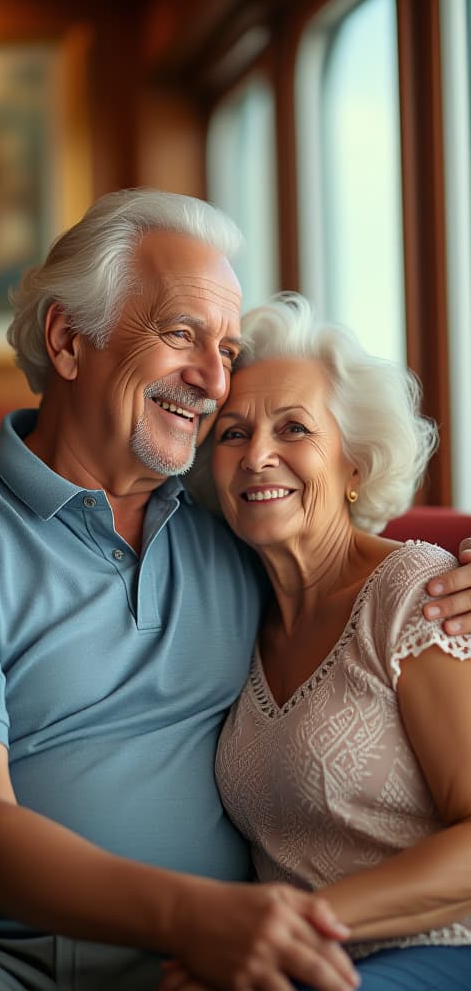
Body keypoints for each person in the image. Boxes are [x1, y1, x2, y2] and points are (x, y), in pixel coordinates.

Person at [0, 191, 468, 991]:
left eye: (226, 349)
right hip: (11, 959)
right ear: (66, 339)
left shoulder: (228, 529)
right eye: (181, 334)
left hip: (218, 960)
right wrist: (199, 919)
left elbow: (361, 545)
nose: (211, 381)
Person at [171, 292, 471, 991]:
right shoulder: (233, 609)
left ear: (354, 467)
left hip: (442, 949)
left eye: (295, 429)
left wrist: (288, 924)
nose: (258, 457)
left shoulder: (417, 594)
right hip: (295, 963)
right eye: (234, 434)